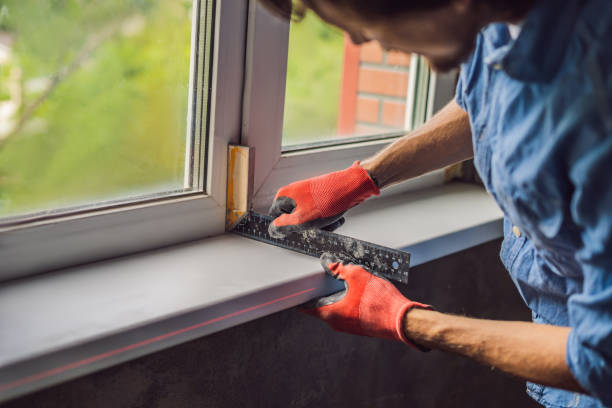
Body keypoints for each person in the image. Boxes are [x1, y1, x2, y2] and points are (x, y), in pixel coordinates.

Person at [259, 0, 612, 407]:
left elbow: (600, 358)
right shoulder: (500, 16)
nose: (364, 41)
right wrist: (363, 177)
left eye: (372, 28)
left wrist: (409, 321)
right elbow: (489, 102)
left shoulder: (597, 99)